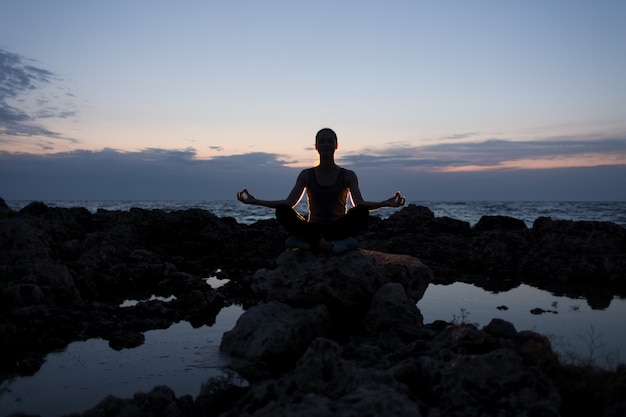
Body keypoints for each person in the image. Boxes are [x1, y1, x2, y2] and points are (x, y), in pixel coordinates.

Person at [237, 128, 405, 253]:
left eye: (329, 141)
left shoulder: (348, 175)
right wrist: (255, 201)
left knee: (361, 212)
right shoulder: (306, 175)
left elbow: (359, 204)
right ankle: (330, 244)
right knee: (283, 211)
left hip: (337, 228)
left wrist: (385, 203)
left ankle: (310, 243)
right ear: (316, 146)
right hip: (313, 228)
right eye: (322, 141)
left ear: (336, 146)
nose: (326, 144)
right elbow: (289, 203)